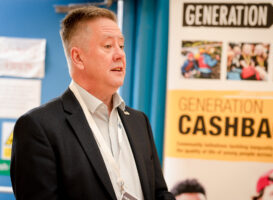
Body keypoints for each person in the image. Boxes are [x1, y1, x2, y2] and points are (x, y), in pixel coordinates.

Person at [10, 6, 175, 200]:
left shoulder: (139, 122)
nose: (120, 54)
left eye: (121, 46)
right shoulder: (39, 127)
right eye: (107, 46)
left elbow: (159, 193)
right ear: (78, 57)